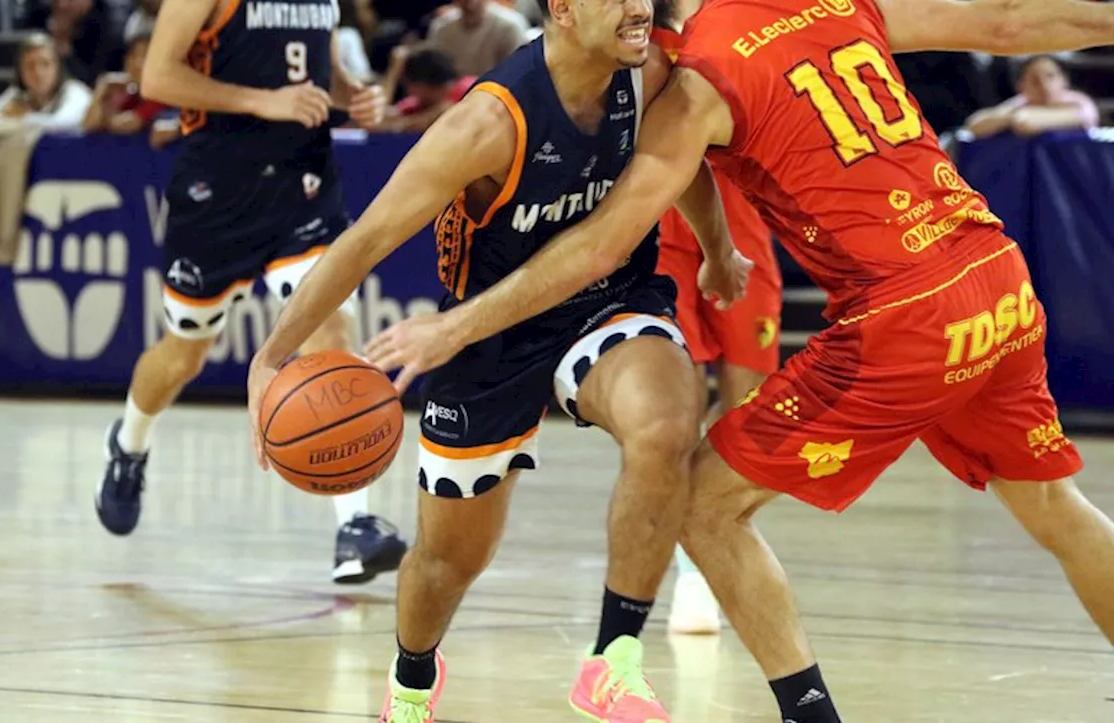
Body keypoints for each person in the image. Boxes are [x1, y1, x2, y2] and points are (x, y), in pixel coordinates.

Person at [365, 0, 1114, 721]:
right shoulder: (833, 3)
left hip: (904, 314)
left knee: (700, 504)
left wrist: (454, 324)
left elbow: (598, 245)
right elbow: (1008, 20)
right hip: (995, 274)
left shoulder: (701, 74)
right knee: (1057, 509)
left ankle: (804, 713)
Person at [246, 0, 738, 719]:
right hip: (487, 333)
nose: (640, 7)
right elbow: (364, 240)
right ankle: (412, 682)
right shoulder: (487, 124)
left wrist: (718, 250)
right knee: (448, 563)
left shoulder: (650, 72)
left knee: (666, 423)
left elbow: (678, 157)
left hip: (610, 297)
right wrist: (272, 357)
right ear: (563, 10)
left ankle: (614, 659)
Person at [98, 0, 408, 586]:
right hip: (220, 191)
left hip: (305, 183)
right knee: (183, 355)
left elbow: (317, 74)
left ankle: (356, 524)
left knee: (331, 330)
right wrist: (261, 101)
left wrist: (353, 95)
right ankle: (129, 443)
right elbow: (159, 76)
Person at [650, 0, 784, 636]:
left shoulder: (753, 30)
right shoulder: (639, 39)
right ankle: (690, 572)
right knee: (675, 407)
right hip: (661, 235)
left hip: (747, 227)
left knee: (742, 406)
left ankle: (719, 533)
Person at [964, 54, 1100, 139]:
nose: (1044, 86)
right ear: (1021, 86)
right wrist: (1013, 116)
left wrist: (1017, 117)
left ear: (1064, 80)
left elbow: (1026, 123)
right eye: (1035, 80)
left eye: (1050, 76)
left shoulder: (1079, 102)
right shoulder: (1019, 104)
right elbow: (974, 125)